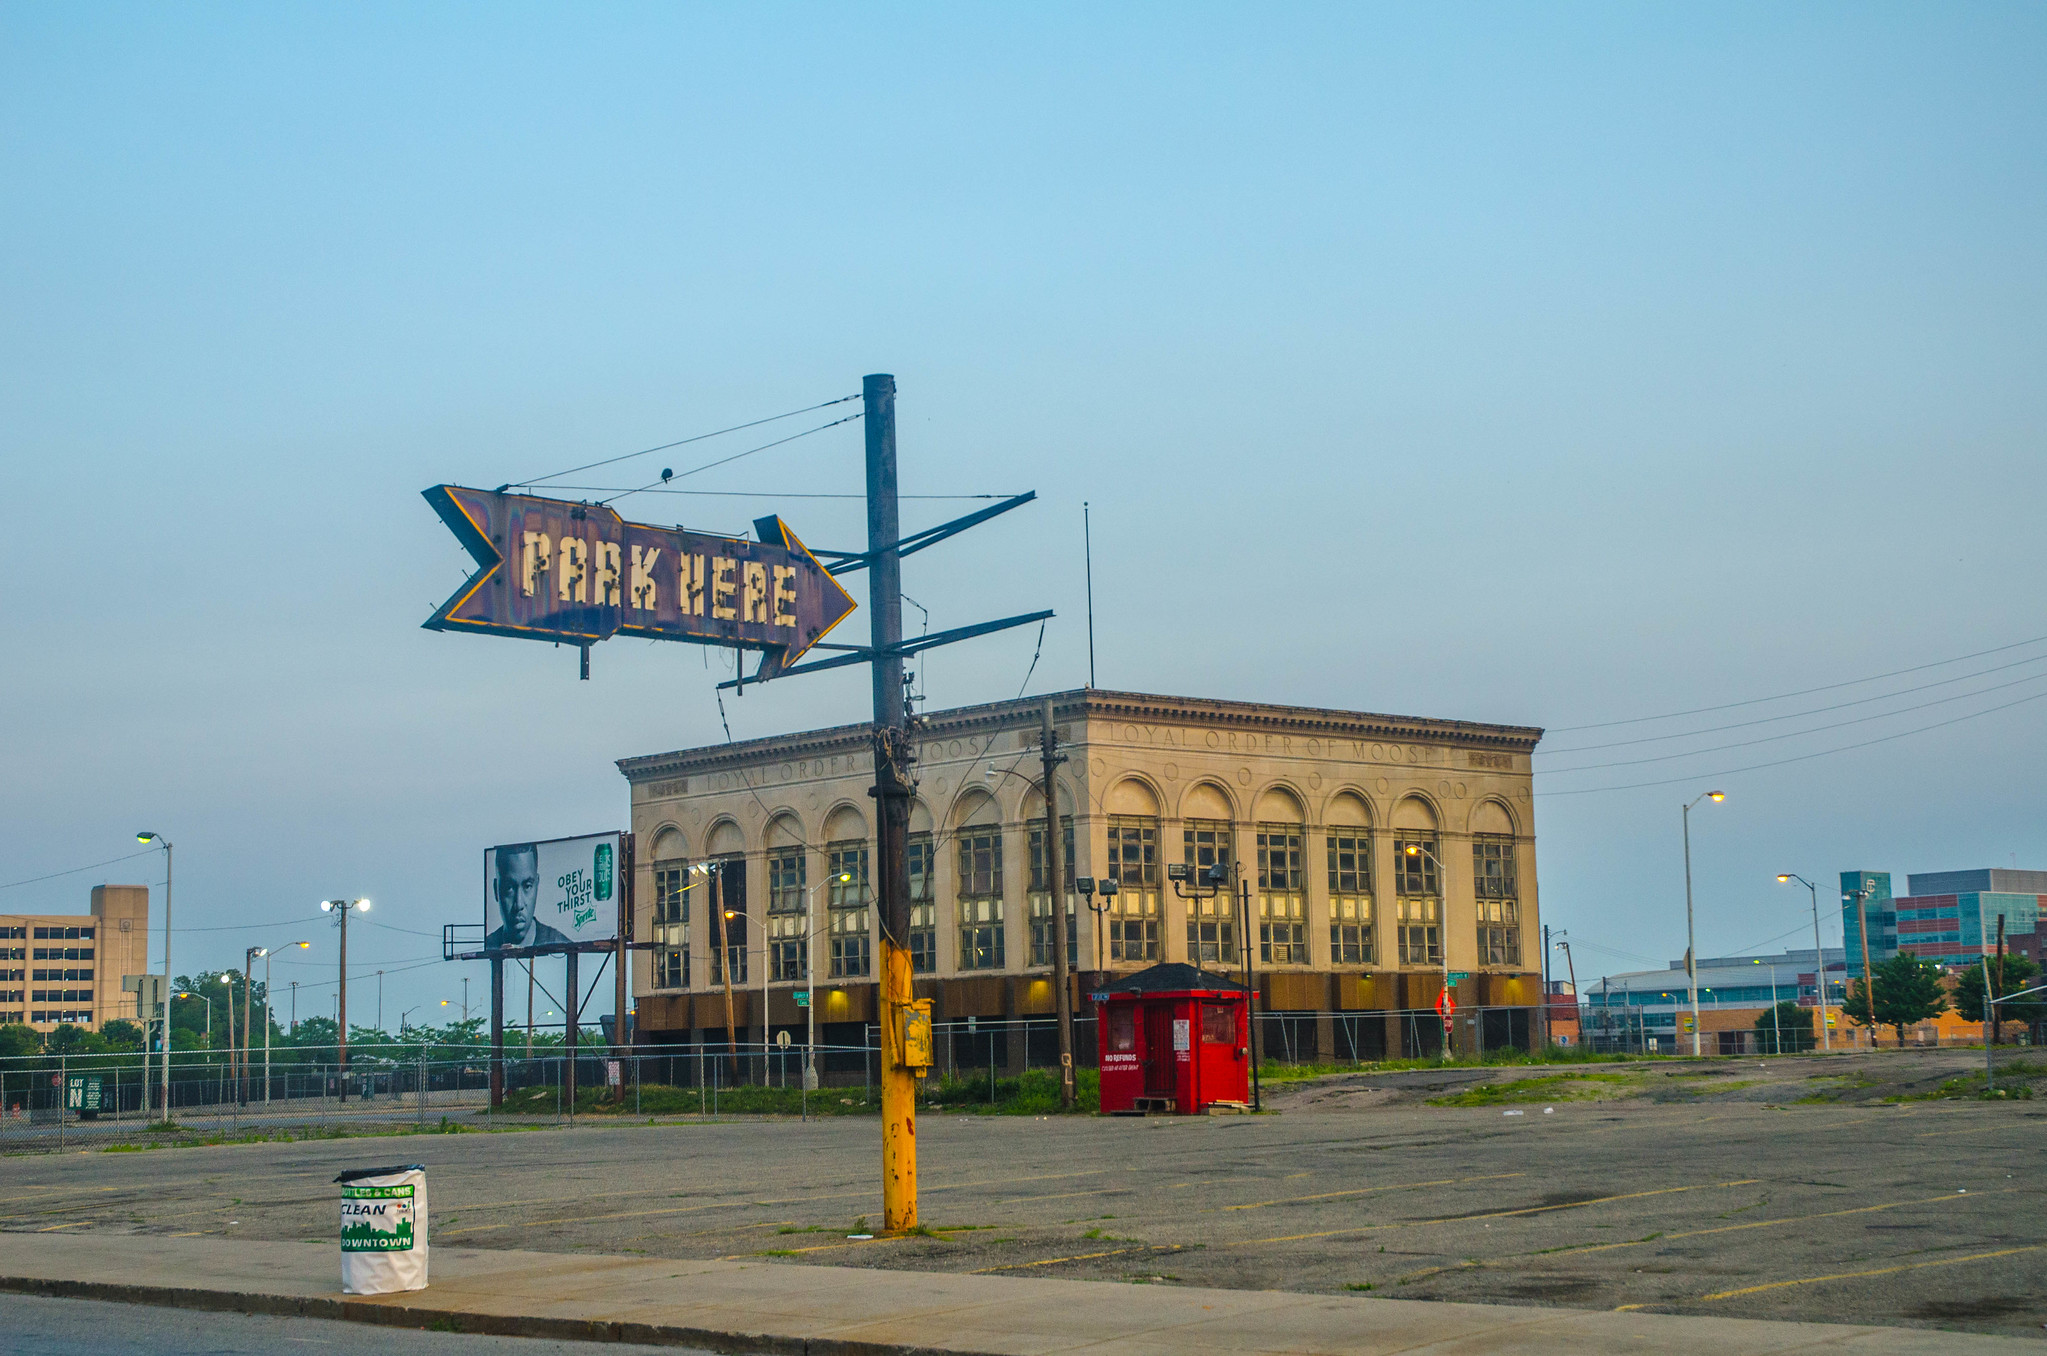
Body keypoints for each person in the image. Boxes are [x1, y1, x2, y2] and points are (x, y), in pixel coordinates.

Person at [486, 844, 570, 949]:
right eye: (509, 888)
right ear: (496, 890)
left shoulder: (561, 943)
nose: (519, 904)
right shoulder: (488, 945)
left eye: (527, 886)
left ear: (537, 885)